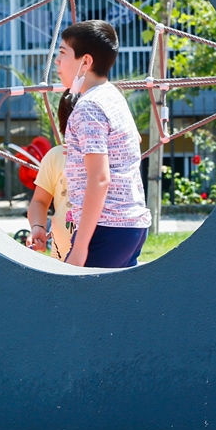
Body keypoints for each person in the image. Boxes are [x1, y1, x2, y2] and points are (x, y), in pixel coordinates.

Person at [55, 20, 150, 268]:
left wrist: (80, 247)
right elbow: (134, 139)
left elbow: (100, 178)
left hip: (107, 227)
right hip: (131, 225)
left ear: (85, 62)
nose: (57, 60)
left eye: (63, 52)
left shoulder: (88, 106)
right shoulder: (112, 95)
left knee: (74, 302)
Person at [26, 93, 77, 261]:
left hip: (102, 251)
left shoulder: (111, 157)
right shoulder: (56, 156)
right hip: (61, 255)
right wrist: (38, 226)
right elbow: (39, 201)